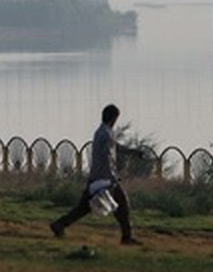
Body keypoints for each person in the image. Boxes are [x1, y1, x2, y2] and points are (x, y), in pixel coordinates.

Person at [49, 103, 143, 245]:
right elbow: (108, 156)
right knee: (123, 205)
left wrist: (132, 153)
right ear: (113, 118)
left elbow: (114, 149)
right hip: (105, 179)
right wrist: (115, 174)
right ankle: (126, 237)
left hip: (96, 179)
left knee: (83, 208)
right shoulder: (105, 134)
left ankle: (59, 225)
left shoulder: (102, 132)